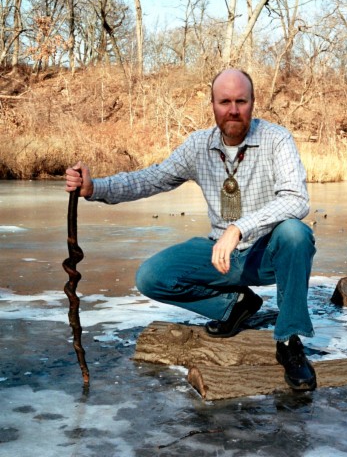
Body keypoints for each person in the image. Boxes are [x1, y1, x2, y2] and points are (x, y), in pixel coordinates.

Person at [65, 68, 317, 391]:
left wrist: (238, 228)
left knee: (296, 234)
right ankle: (235, 306)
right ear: (212, 104)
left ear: (254, 103)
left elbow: (296, 199)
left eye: (241, 100)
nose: (233, 109)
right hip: (221, 257)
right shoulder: (199, 146)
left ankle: (289, 342)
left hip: (267, 254)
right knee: (151, 276)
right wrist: (94, 187)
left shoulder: (276, 139)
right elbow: (150, 179)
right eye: (225, 101)